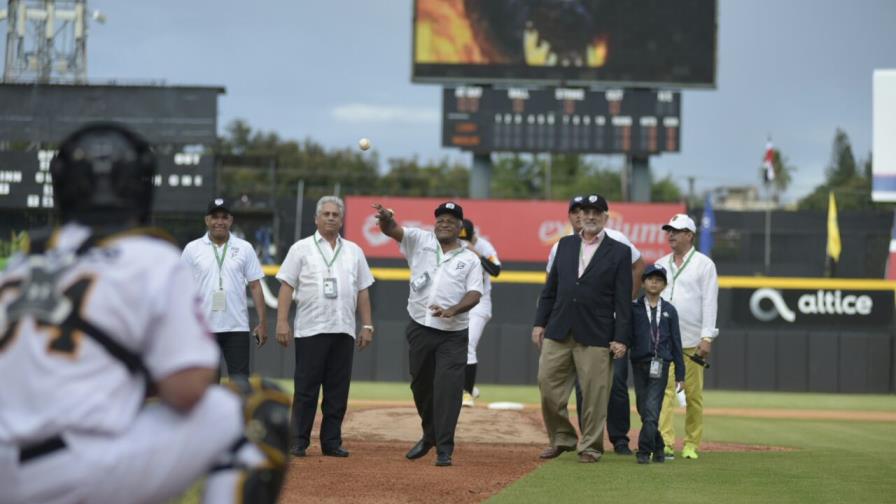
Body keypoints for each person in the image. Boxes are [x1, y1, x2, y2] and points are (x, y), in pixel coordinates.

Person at [0, 123, 290, 504]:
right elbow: (185, 390)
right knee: (256, 409)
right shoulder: (149, 257)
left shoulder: (23, 263)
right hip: (71, 469)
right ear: (141, 189)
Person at [372, 200, 483, 467]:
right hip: (420, 327)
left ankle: (444, 448)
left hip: (453, 333)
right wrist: (386, 219)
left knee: (448, 390)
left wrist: (454, 310)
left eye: (450, 220)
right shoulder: (419, 240)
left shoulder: (469, 259)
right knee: (420, 386)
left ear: (460, 227)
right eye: (440, 219)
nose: (444, 223)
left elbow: (475, 294)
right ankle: (429, 434)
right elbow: (392, 230)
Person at [532, 194, 632, 463]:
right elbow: (550, 289)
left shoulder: (620, 251)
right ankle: (562, 437)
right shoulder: (563, 245)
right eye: (585, 211)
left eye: (596, 212)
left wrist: (621, 337)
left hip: (597, 332)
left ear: (605, 217)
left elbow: (623, 299)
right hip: (559, 327)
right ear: (579, 216)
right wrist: (540, 322)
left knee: (595, 394)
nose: (589, 216)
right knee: (547, 385)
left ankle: (590, 445)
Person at [275, 195, 375, 458]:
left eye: (335, 214)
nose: (331, 218)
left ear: (342, 220)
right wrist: (282, 321)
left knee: (337, 391)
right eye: (326, 214)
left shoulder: (354, 251)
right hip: (311, 329)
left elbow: (363, 290)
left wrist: (367, 325)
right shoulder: (301, 248)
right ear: (316, 218)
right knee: (306, 389)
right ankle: (298, 441)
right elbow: (287, 286)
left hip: (343, 329)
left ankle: (332, 442)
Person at [182, 198, 267, 378]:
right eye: (214, 217)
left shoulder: (244, 248)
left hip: (236, 327)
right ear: (207, 220)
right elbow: (181, 288)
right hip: (203, 328)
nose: (219, 222)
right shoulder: (192, 249)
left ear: (230, 220)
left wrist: (262, 322)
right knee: (207, 383)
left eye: (224, 217)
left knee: (241, 382)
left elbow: (255, 285)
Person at [656, 213, 719, 460]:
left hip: (692, 340)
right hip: (663, 340)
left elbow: (710, 302)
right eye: (668, 229)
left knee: (692, 395)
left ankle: (692, 443)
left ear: (690, 235)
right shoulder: (661, 263)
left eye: (677, 230)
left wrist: (707, 337)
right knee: (664, 393)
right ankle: (666, 442)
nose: (671, 234)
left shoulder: (704, 264)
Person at [629, 264, 685, 464]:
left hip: (661, 365)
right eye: (650, 278)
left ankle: (644, 451)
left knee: (652, 410)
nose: (654, 282)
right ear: (643, 282)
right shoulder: (634, 308)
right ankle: (659, 446)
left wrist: (680, 372)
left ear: (665, 285)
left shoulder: (669, 310)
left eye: (659, 279)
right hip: (639, 364)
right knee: (644, 410)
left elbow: (676, 342)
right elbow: (627, 335)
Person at [459, 218, 501, 407]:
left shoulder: (484, 246)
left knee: (468, 344)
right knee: (453, 346)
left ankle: (466, 393)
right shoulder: (455, 246)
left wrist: (476, 252)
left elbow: (496, 270)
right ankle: (468, 387)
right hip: (459, 301)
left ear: (473, 234)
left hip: (480, 302)